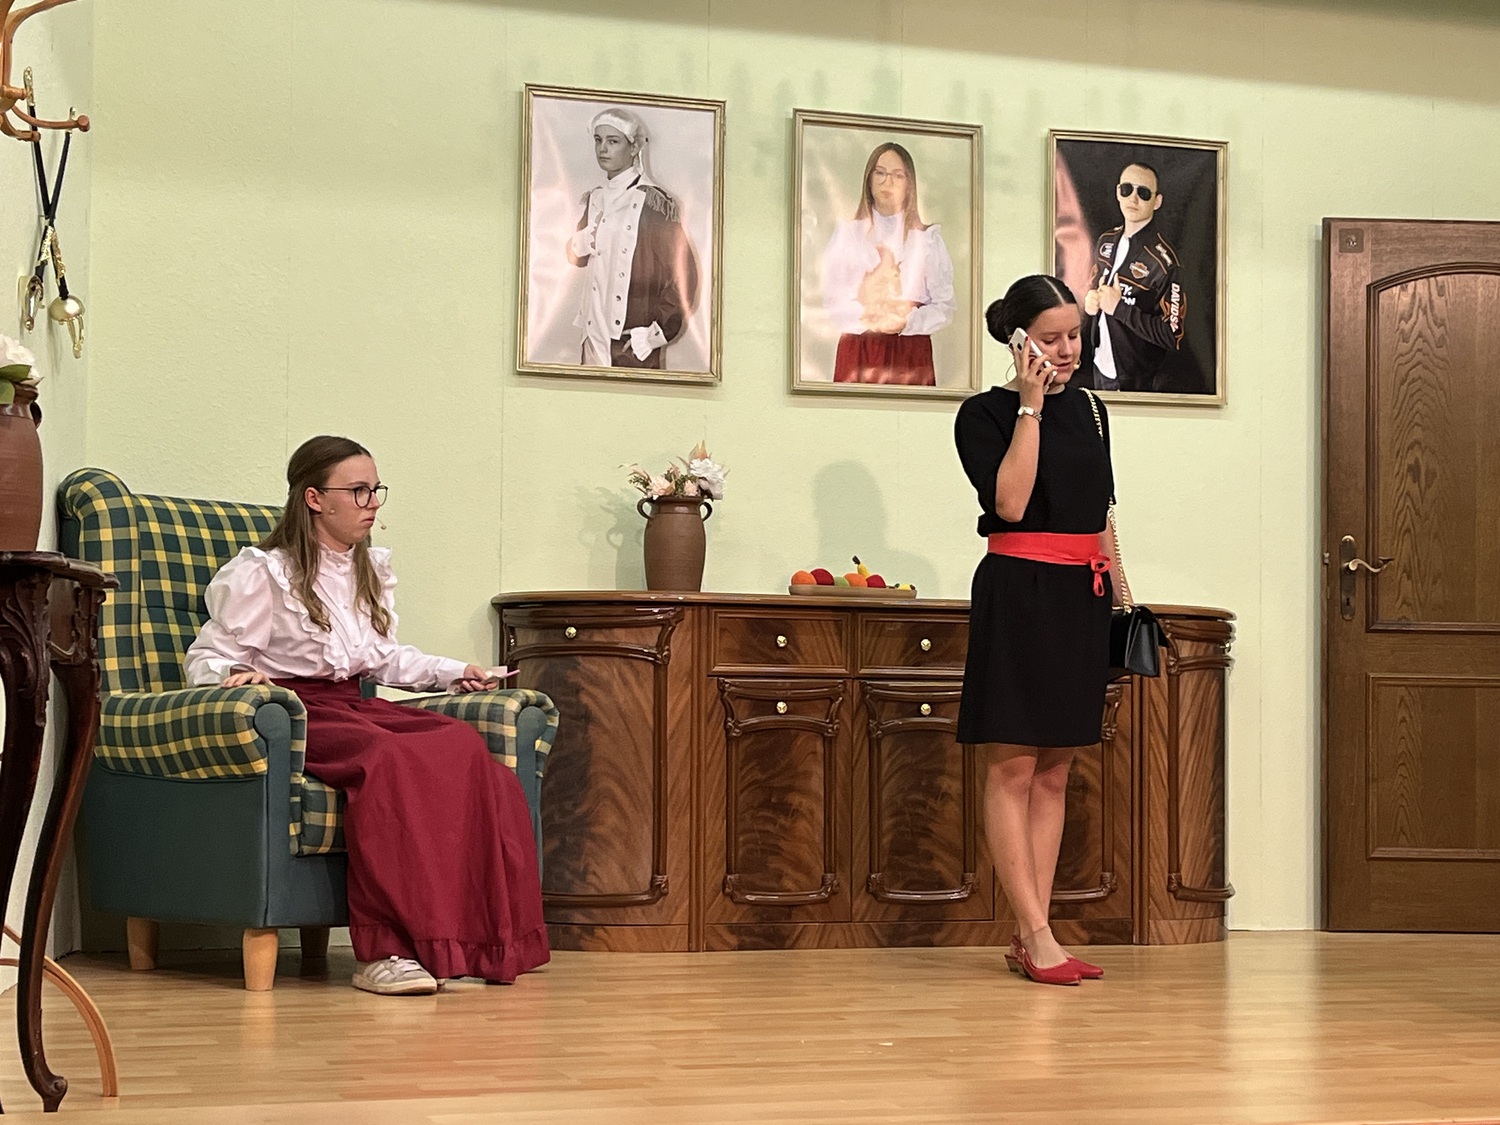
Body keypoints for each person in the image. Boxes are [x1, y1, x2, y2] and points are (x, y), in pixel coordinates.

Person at [183, 436, 550, 996]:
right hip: (297, 709)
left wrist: (457, 671)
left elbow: (383, 658)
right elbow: (207, 655)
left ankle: (470, 947)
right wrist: (235, 675)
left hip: (355, 703)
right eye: (358, 490)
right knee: (387, 756)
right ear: (314, 499)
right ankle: (384, 952)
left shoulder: (367, 569)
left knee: (459, 743)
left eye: (376, 489)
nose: (372, 502)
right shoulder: (265, 573)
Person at [953, 275, 1123, 986]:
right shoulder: (983, 414)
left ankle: (1035, 931)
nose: (1067, 349)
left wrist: (1122, 600)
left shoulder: (1092, 408)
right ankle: (1034, 932)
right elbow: (1012, 504)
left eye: (1074, 334)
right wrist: (1030, 405)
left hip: (1083, 596)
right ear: (1019, 339)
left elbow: (1102, 513)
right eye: (1051, 338)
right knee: (1014, 766)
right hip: (1019, 592)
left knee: (1056, 769)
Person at [566, 106, 699, 370]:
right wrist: (582, 241)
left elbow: (684, 273)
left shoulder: (653, 203)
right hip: (592, 337)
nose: (603, 149)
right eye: (598, 140)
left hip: (630, 344)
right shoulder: (595, 198)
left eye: (613, 141)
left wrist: (654, 334)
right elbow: (576, 258)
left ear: (634, 147)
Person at [822, 141, 956, 385]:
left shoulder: (927, 239)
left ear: (909, 183)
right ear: (869, 178)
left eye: (897, 175)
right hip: (859, 349)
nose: (887, 182)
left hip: (910, 352)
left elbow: (944, 306)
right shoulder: (847, 235)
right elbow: (831, 301)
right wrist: (869, 318)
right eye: (880, 173)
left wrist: (906, 322)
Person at [1083, 161, 1186, 392]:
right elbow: (1094, 287)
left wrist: (1119, 308)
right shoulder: (1106, 241)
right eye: (1127, 189)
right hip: (1099, 365)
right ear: (1117, 192)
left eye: (1144, 193)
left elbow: (1172, 334)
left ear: (1157, 202)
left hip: (1136, 380)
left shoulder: (1164, 262)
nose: (1133, 198)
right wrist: (1090, 302)